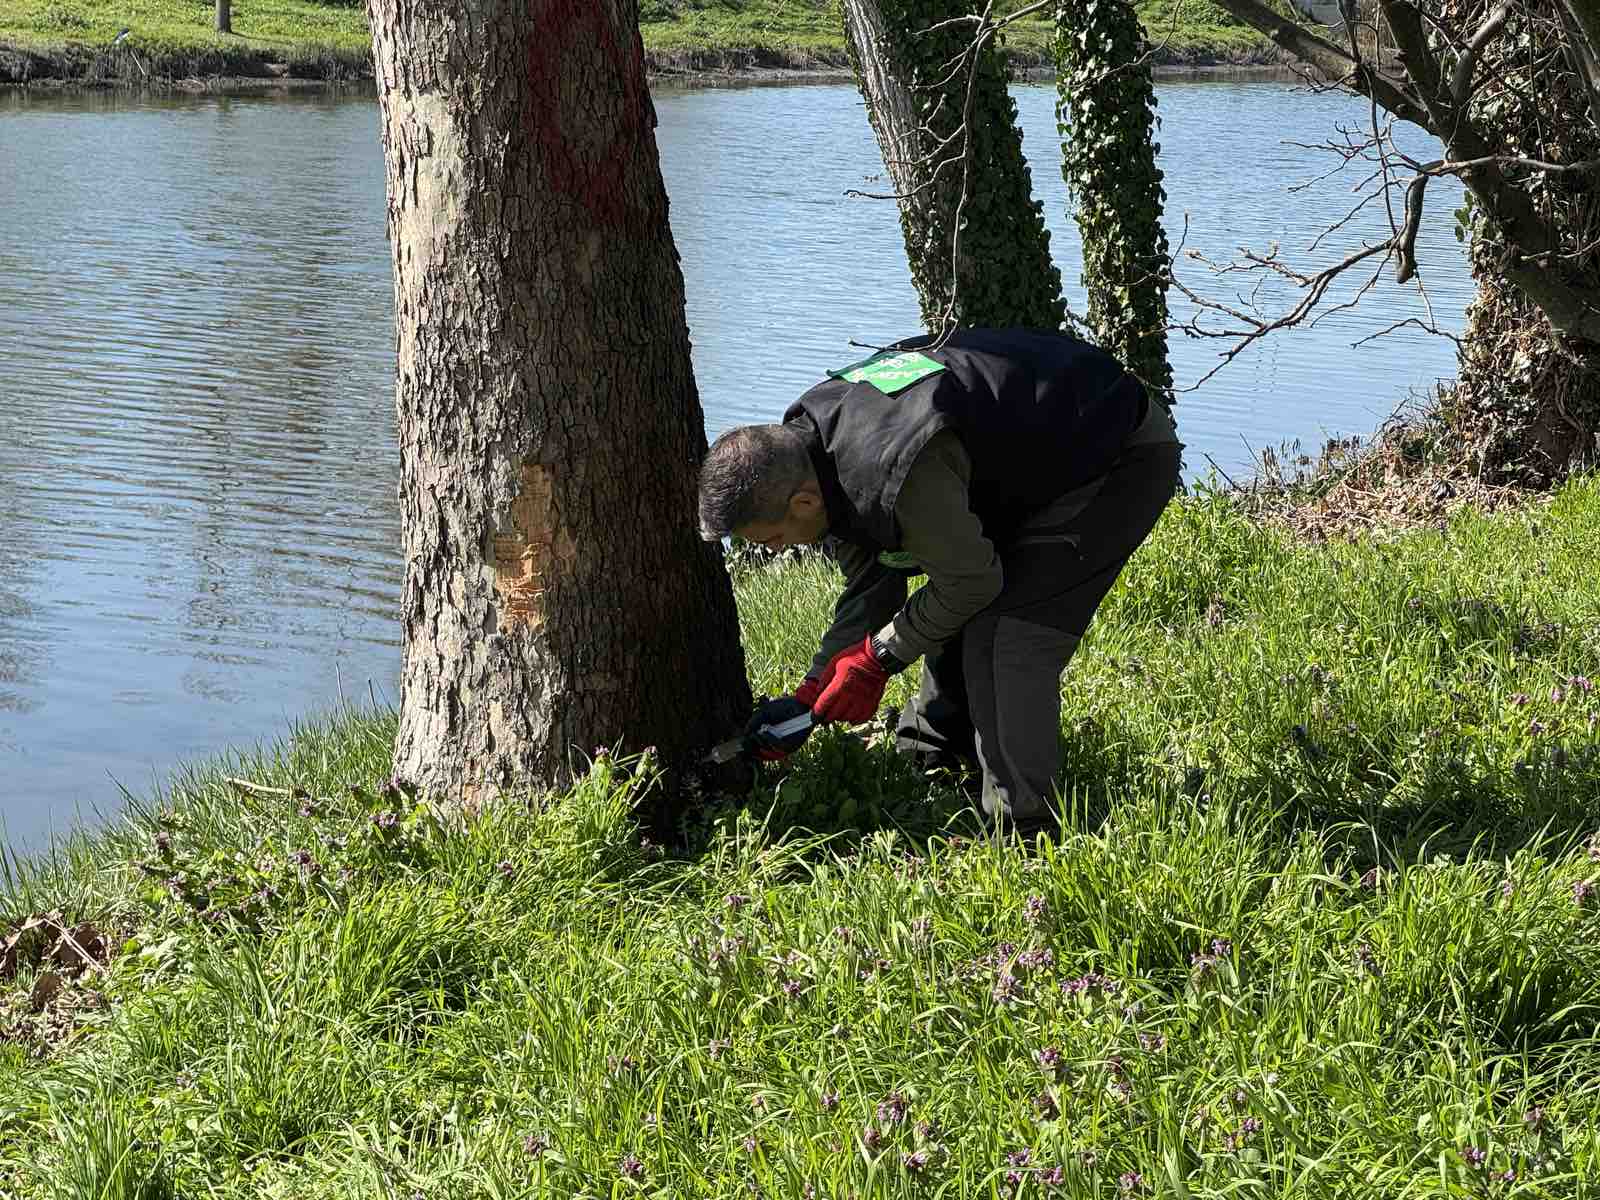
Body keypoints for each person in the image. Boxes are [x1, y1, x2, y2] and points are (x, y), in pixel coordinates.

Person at [697, 327, 1182, 834]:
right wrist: (813, 690)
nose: (775, 550)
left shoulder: (896, 468)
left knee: (1003, 638)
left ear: (802, 504)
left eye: (772, 538)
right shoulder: (809, 454)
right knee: (952, 612)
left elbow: (971, 583)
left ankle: (1025, 830)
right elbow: (874, 585)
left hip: (1111, 457)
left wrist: (876, 661)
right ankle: (934, 755)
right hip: (1023, 470)